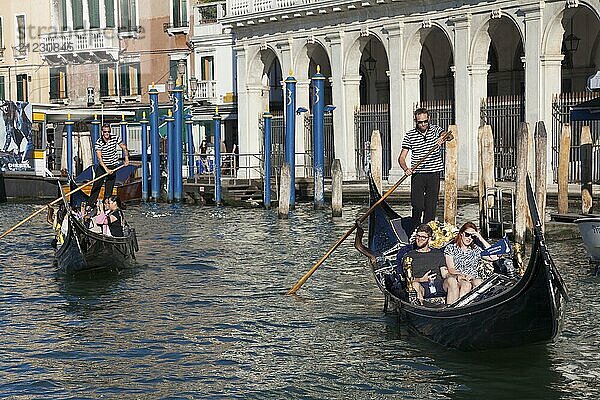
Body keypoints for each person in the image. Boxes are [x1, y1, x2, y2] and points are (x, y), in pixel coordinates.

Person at [398, 108, 447, 228]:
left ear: (428, 118)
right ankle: (415, 229)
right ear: (416, 121)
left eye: (425, 121)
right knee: (417, 205)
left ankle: (427, 230)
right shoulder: (410, 135)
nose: (423, 124)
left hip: (433, 173)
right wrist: (406, 169)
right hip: (418, 174)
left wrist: (443, 137)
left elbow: (448, 136)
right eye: (420, 122)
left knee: (431, 205)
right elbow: (401, 158)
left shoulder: (436, 130)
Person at [401, 224, 459, 304]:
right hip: (421, 286)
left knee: (451, 281)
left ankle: (452, 311)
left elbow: (445, 273)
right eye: (418, 236)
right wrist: (422, 279)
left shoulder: (438, 254)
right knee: (414, 285)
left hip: (439, 285)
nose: (419, 239)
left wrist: (453, 276)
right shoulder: (409, 256)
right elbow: (408, 280)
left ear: (429, 239)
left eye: (423, 237)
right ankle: (420, 311)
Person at [443, 221, 499, 297]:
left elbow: (494, 257)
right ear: (461, 233)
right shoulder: (451, 248)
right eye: (467, 235)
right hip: (458, 278)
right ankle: (462, 307)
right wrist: (463, 276)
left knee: (479, 282)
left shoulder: (476, 249)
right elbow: (451, 268)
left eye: (472, 236)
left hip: (473, 278)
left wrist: (480, 238)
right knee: (466, 285)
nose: (469, 238)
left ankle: (479, 306)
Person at [88, 124, 129, 206]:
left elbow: (124, 147)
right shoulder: (98, 143)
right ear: (102, 132)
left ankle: (106, 204)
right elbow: (100, 159)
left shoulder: (115, 138)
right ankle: (90, 204)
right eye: (105, 131)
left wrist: (126, 158)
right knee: (97, 185)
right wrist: (106, 169)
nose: (107, 133)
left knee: (109, 187)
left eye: (108, 131)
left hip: (113, 166)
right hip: (103, 166)